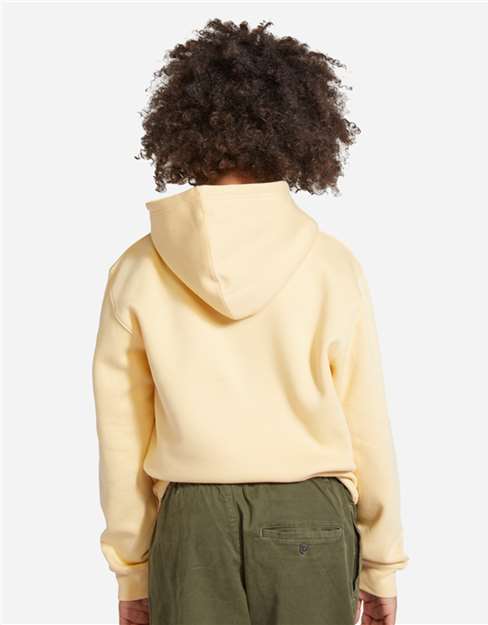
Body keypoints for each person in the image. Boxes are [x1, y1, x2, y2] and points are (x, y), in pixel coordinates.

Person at [92, 18, 409, 625]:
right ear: (297, 131)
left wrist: (131, 569)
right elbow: (366, 422)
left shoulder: (136, 269)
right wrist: (382, 563)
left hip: (192, 523)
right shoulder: (330, 264)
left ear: (183, 129)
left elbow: (121, 434)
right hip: (312, 514)